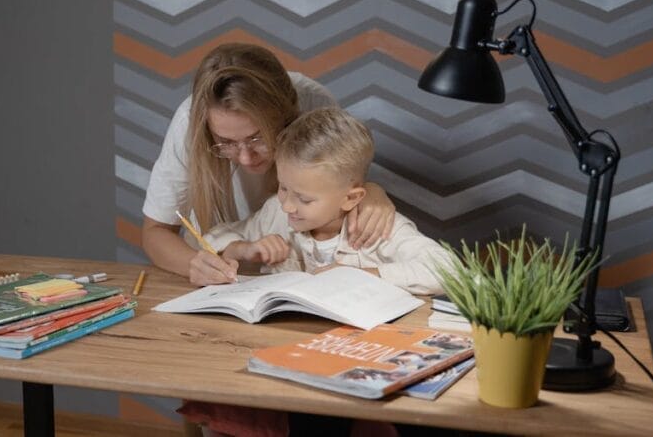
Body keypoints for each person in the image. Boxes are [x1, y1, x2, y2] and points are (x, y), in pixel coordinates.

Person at [141, 43, 397, 286]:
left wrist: (371, 190)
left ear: (287, 116)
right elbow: (155, 231)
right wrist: (193, 265)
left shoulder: (313, 104)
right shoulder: (191, 122)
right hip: (228, 270)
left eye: (257, 137)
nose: (245, 158)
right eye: (225, 142)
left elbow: (338, 181)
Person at [203, 107, 445, 295]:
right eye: (283, 187)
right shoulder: (275, 213)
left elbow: (450, 272)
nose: (287, 205)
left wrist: (360, 275)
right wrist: (245, 250)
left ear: (350, 199)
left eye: (304, 199)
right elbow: (210, 239)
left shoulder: (378, 227)